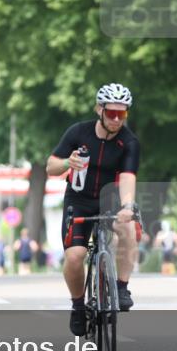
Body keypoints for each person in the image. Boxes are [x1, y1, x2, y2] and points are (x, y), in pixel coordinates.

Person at [47, 83, 140, 337]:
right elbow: (50, 167)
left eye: (123, 114)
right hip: (79, 200)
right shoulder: (78, 132)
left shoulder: (129, 141)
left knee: (128, 227)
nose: (117, 119)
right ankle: (78, 306)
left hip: (111, 200)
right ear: (99, 109)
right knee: (76, 256)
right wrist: (68, 162)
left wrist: (128, 206)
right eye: (112, 113)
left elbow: (129, 177)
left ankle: (121, 287)